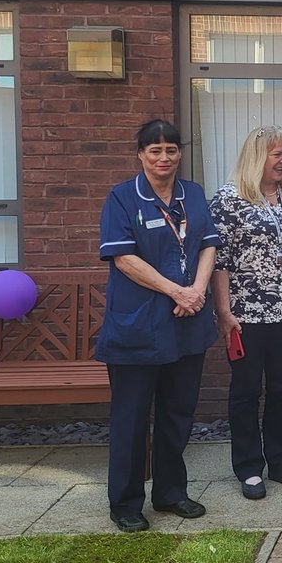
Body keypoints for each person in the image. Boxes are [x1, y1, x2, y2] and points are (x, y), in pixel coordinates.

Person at [97, 119, 221, 533]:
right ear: (140, 154)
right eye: (155, 151)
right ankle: (125, 502)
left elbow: (208, 245)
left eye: (171, 150)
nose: (164, 158)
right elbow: (124, 259)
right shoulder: (121, 198)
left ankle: (170, 493)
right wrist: (177, 292)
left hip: (187, 324)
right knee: (131, 418)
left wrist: (197, 291)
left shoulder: (194, 194)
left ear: (179, 153)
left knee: (177, 413)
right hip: (138, 328)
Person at [211, 126, 282, 500]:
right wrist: (224, 311)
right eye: (277, 154)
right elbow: (219, 260)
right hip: (246, 315)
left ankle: (281, 459)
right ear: (257, 157)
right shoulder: (229, 199)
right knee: (246, 390)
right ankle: (249, 467)